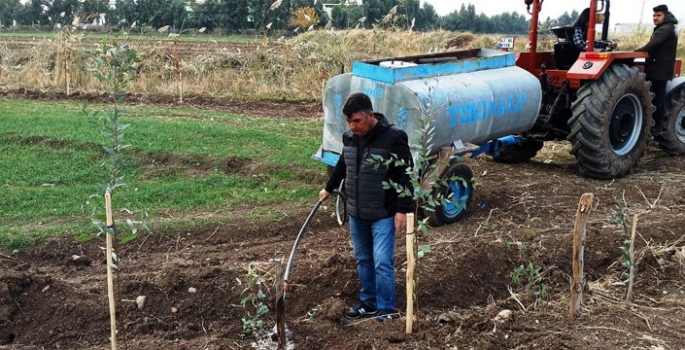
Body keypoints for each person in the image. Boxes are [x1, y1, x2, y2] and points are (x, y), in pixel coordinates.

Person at [318, 92, 413, 322]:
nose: (352, 126)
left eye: (357, 121)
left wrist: (402, 209)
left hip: (383, 211)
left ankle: (386, 309)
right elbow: (343, 164)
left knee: (382, 260)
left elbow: (406, 174)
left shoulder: (393, 138)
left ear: (370, 115)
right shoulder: (350, 137)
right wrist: (329, 188)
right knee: (363, 259)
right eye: (349, 122)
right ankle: (368, 303)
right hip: (357, 211)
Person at [635, 4, 679, 135]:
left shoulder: (665, 29)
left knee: (658, 99)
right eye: (654, 15)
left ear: (665, 15)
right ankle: (653, 126)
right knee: (655, 98)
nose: (655, 18)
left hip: (659, 71)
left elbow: (652, 46)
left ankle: (657, 128)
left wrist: (634, 53)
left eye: (658, 15)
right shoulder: (668, 27)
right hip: (659, 69)